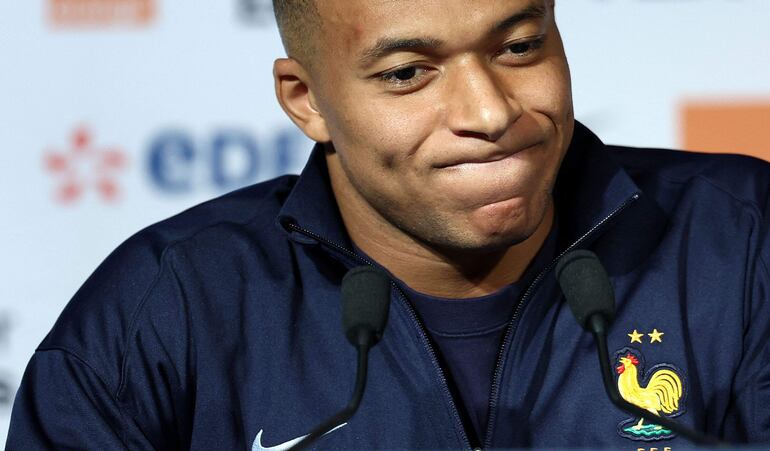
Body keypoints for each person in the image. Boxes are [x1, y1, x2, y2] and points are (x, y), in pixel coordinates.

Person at [7, 0, 770, 449]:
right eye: (407, 73)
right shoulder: (165, 310)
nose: (491, 112)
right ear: (305, 99)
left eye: (520, 46)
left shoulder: (740, 237)